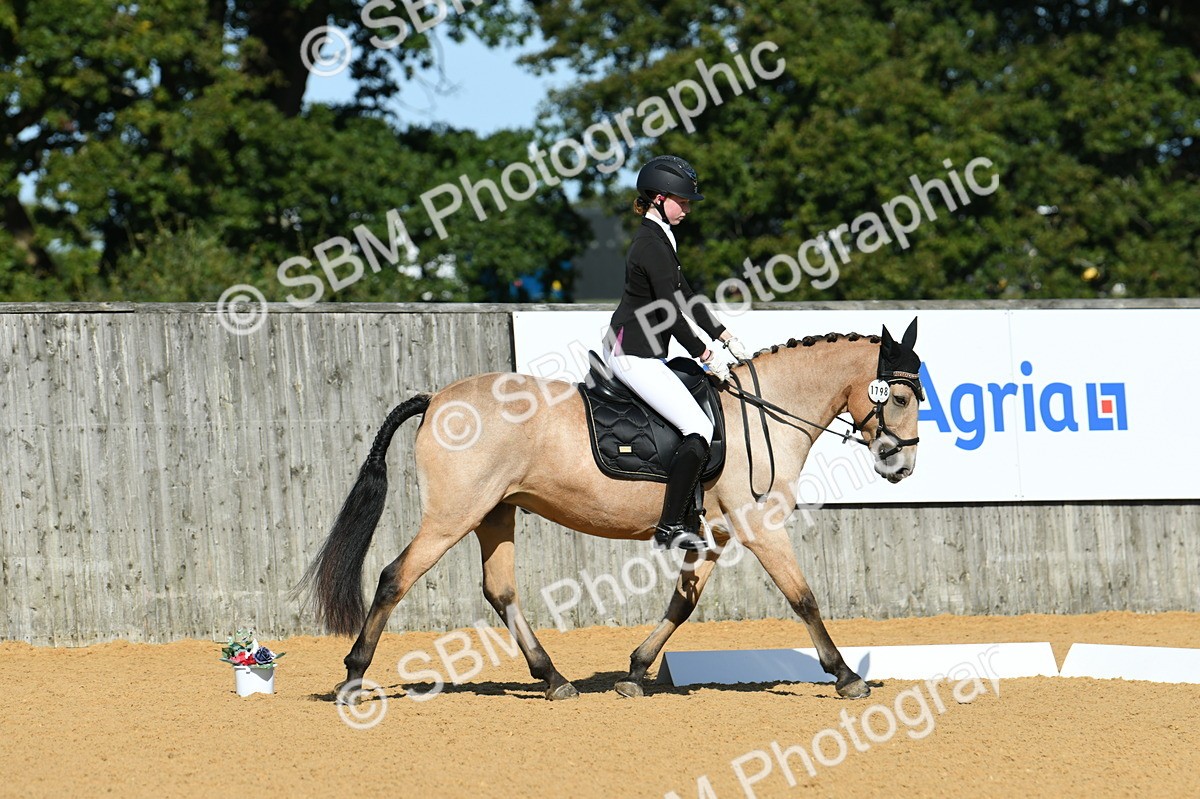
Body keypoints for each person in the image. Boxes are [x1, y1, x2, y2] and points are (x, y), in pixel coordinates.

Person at [603, 155, 750, 551]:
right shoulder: (650, 244)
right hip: (633, 353)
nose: (687, 208)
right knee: (698, 428)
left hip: (645, 350)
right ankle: (670, 526)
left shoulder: (662, 237)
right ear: (658, 198)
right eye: (681, 201)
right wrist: (706, 354)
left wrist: (722, 334)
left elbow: (686, 295)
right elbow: (669, 312)